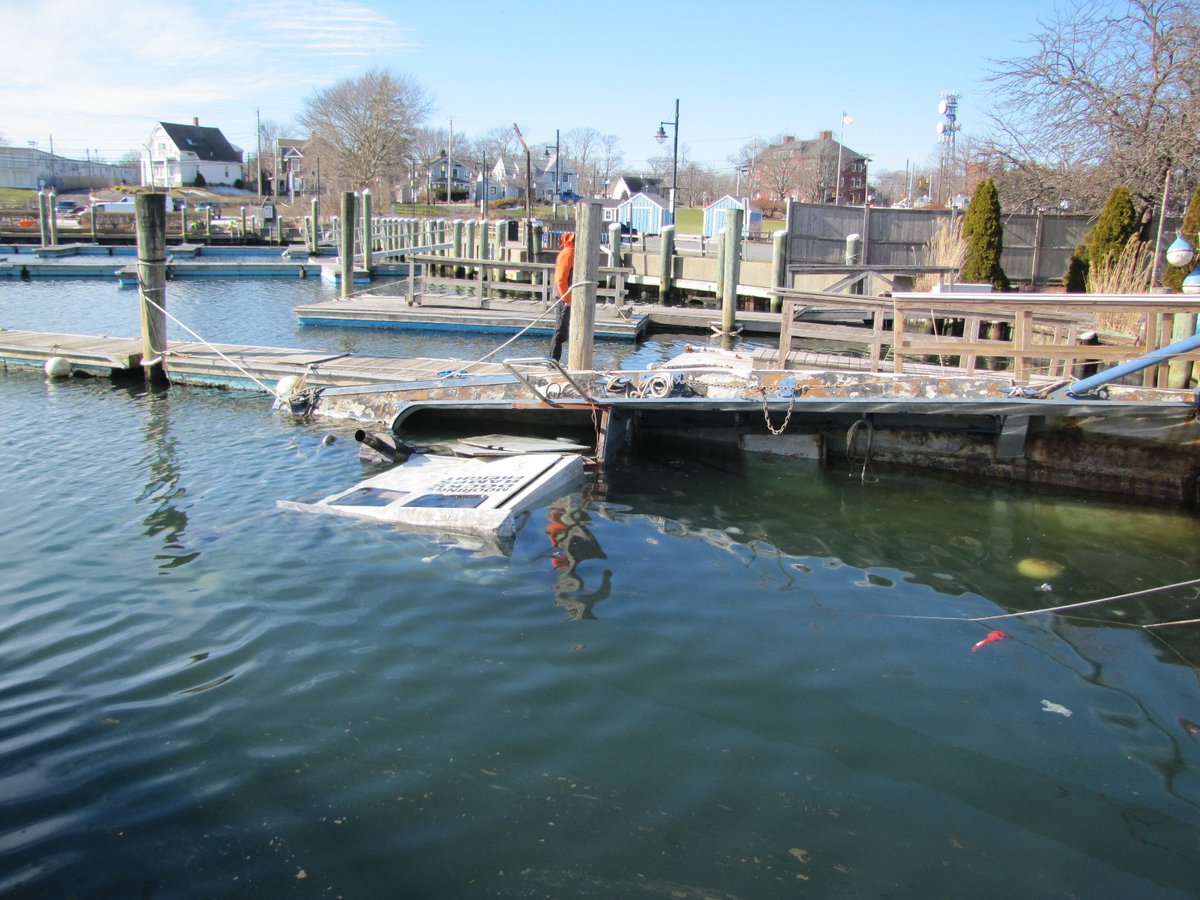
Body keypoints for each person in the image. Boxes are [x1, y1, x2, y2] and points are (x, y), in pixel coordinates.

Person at [549, 232, 576, 362]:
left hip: (567, 295)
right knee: (560, 330)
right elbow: (560, 279)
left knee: (564, 331)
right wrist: (567, 299)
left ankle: (555, 361)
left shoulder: (569, 251)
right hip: (563, 296)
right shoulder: (569, 253)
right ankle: (552, 362)